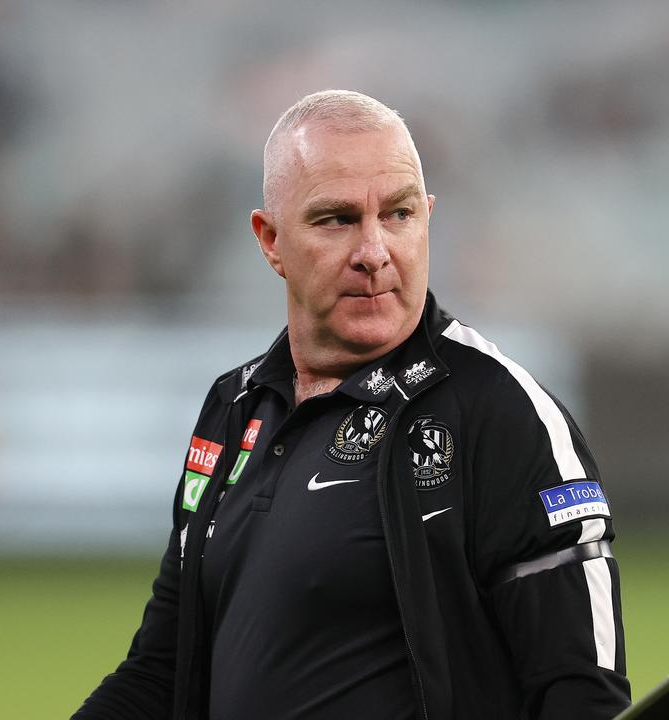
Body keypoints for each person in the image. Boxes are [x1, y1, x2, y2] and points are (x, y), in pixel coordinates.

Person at [75, 90, 630, 720]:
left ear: (427, 218)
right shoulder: (234, 407)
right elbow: (162, 668)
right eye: (336, 220)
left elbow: (582, 694)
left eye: (397, 214)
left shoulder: (500, 413)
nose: (374, 251)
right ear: (270, 240)